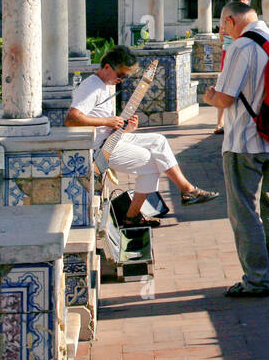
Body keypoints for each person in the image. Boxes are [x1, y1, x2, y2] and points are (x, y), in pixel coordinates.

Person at [66, 46, 219, 226]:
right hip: (101, 149)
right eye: (120, 75)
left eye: (125, 77)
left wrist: (126, 127)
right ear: (107, 67)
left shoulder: (104, 85)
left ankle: (186, 189)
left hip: (111, 139)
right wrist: (107, 121)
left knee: (159, 141)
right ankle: (132, 217)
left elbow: (104, 122)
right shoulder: (91, 87)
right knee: (150, 162)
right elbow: (71, 118)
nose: (121, 80)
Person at [203, 1, 269, 298]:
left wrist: (210, 98)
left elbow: (225, 99)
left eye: (222, 26)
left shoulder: (241, 47)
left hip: (245, 141)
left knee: (244, 212)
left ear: (231, 20)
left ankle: (256, 280)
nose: (222, 32)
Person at [214, 0, 250, 135]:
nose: (248, 2)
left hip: (226, 51)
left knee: (224, 84)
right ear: (242, 0)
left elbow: (221, 35)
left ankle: (219, 123)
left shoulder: (225, 11)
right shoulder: (244, 14)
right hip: (240, 51)